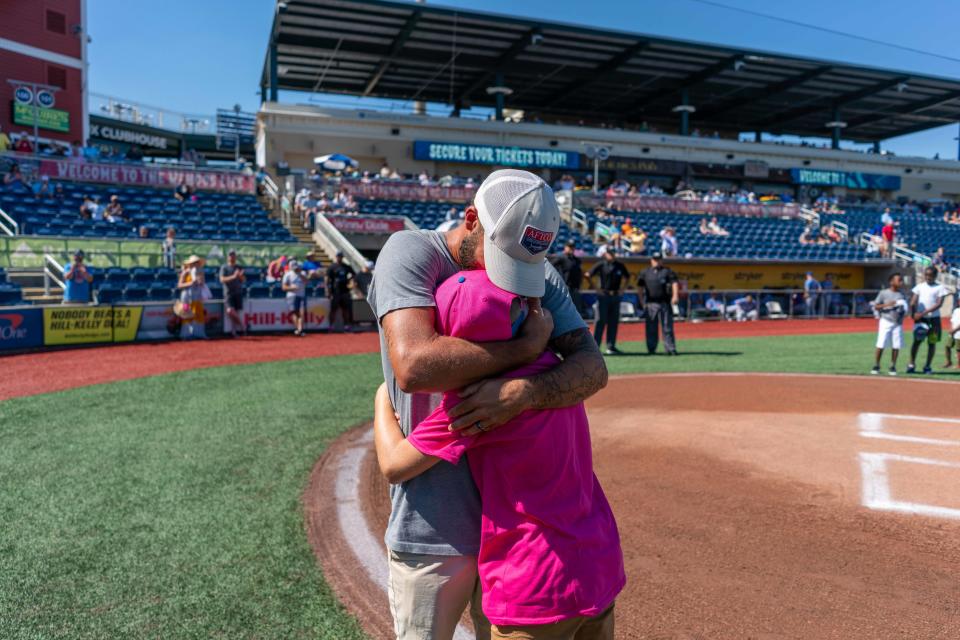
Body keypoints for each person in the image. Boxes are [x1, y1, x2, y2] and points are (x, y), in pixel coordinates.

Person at [365, 169, 606, 640]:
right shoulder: (411, 251)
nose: (512, 278)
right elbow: (415, 367)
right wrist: (524, 350)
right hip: (433, 524)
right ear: (471, 219)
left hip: (514, 539)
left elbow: (593, 368)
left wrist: (523, 393)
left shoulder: (536, 268)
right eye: (502, 257)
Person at [907, 266, 949, 375]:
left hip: (934, 320)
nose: (928, 277)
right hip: (921, 320)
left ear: (935, 276)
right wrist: (913, 313)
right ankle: (911, 364)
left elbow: (939, 304)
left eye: (930, 275)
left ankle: (927, 366)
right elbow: (913, 301)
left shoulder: (940, 288)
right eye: (926, 275)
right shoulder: (919, 287)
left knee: (932, 342)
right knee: (917, 341)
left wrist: (923, 312)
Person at [587, 249, 630, 355]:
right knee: (600, 321)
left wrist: (622, 289)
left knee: (613, 322)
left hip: (615, 296)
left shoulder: (620, 265)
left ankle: (611, 347)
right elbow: (587, 275)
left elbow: (628, 277)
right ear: (605, 254)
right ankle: (595, 347)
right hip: (604, 296)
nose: (611, 255)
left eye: (612, 253)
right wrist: (596, 288)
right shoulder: (601, 264)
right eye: (609, 253)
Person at [639, 252, 680, 355]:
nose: (657, 261)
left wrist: (675, 295)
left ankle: (670, 348)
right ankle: (651, 348)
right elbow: (640, 286)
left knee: (667, 327)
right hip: (651, 303)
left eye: (659, 259)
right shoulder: (645, 272)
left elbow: (675, 283)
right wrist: (641, 300)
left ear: (662, 260)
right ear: (651, 260)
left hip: (665, 303)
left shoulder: (667, 271)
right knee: (651, 328)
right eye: (655, 259)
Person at [871, 273, 907, 376]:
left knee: (896, 345)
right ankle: (876, 365)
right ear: (891, 282)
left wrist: (903, 309)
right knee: (881, 343)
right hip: (886, 320)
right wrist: (888, 304)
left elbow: (905, 307)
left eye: (901, 280)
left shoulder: (901, 294)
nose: (901, 282)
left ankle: (893, 365)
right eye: (898, 280)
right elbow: (876, 306)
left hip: (897, 322)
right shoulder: (884, 293)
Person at [549, 240, 584, 316]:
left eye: (573, 247)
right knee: (564, 313)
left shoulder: (577, 260)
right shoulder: (561, 258)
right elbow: (549, 267)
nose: (571, 248)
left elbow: (580, 274)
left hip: (575, 290)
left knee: (576, 314)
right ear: (565, 247)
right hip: (565, 290)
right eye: (569, 246)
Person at [177, 256, 209, 339]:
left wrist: (200, 281)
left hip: (197, 296)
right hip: (186, 297)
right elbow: (179, 285)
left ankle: (199, 334)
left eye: (197, 262)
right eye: (194, 263)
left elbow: (202, 283)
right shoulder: (185, 272)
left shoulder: (200, 272)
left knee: (198, 314)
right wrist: (190, 283)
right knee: (186, 314)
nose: (196, 264)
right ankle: (185, 335)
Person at [325, 251, 356, 332]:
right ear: (336, 257)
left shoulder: (346, 266)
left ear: (342, 257)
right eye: (338, 256)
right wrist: (328, 291)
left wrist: (350, 281)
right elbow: (327, 279)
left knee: (345, 309)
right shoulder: (332, 267)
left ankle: (346, 326)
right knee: (333, 310)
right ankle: (331, 326)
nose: (340, 257)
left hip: (345, 291)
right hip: (335, 292)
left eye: (341, 256)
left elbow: (354, 275)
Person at [219, 250, 246, 337]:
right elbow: (222, 279)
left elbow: (243, 280)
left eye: (233, 255)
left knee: (236, 313)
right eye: (231, 255)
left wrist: (240, 276)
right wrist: (234, 276)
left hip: (238, 292)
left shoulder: (239, 267)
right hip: (228, 292)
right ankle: (242, 326)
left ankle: (234, 331)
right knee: (230, 311)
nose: (232, 257)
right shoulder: (224, 267)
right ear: (228, 257)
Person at [282, 259, 307, 336]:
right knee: (295, 313)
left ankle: (300, 329)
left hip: (301, 295)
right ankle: (298, 329)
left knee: (301, 313)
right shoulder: (288, 274)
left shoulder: (303, 273)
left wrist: (300, 274)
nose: (296, 268)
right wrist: (291, 288)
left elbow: (306, 281)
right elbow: (284, 287)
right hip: (292, 296)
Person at [945, 293, 960, 369]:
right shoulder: (956, 310)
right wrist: (951, 329)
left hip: (958, 333)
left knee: (958, 349)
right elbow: (952, 321)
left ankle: (959, 364)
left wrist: (954, 330)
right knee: (947, 346)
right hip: (953, 332)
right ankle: (948, 362)